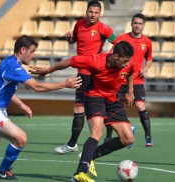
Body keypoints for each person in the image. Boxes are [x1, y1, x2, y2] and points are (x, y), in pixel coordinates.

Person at [0, 35, 81, 180]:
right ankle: (3, 171)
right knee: (20, 138)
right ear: (23, 50)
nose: (33, 55)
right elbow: (36, 86)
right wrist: (64, 84)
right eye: (32, 51)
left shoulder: (9, 62)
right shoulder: (13, 66)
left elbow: (6, 91)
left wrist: (21, 104)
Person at [30, 41, 134, 182]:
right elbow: (70, 61)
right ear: (115, 56)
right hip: (94, 97)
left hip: (113, 99)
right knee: (97, 132)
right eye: (124, 61)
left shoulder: (128, 63)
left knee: (128, 138)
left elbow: (130, 72)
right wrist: (48, 70)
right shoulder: (95, 61)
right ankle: (79, 174)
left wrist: (130, 91)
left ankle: (90, 155)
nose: (127, 64)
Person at [54, 0, 117, 154]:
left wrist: (108, 58)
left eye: (95, 12)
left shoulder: (104, 28)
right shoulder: (79, 24)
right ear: (86, 11)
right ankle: (73, 144)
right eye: (90, 12)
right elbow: (74, 40)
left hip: (95, 74)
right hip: (81, 73)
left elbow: (117, 41)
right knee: (79, 107)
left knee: (97, 107)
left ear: (99, 14)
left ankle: (116, 131)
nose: (92, 15)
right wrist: (69, 37)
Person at [104, 13, 153, 147]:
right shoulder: (121, 39)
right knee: (112, 106)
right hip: (119, 80)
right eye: (135, 23)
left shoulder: (147, 42)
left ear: (143, 25)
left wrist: (146, 68)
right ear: (131, 24)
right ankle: (109, 136)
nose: (137, 26)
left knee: (140, 106)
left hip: (137, 80)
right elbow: (111, 55)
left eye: (140, 23)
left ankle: (148, 137)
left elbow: (149, 58)